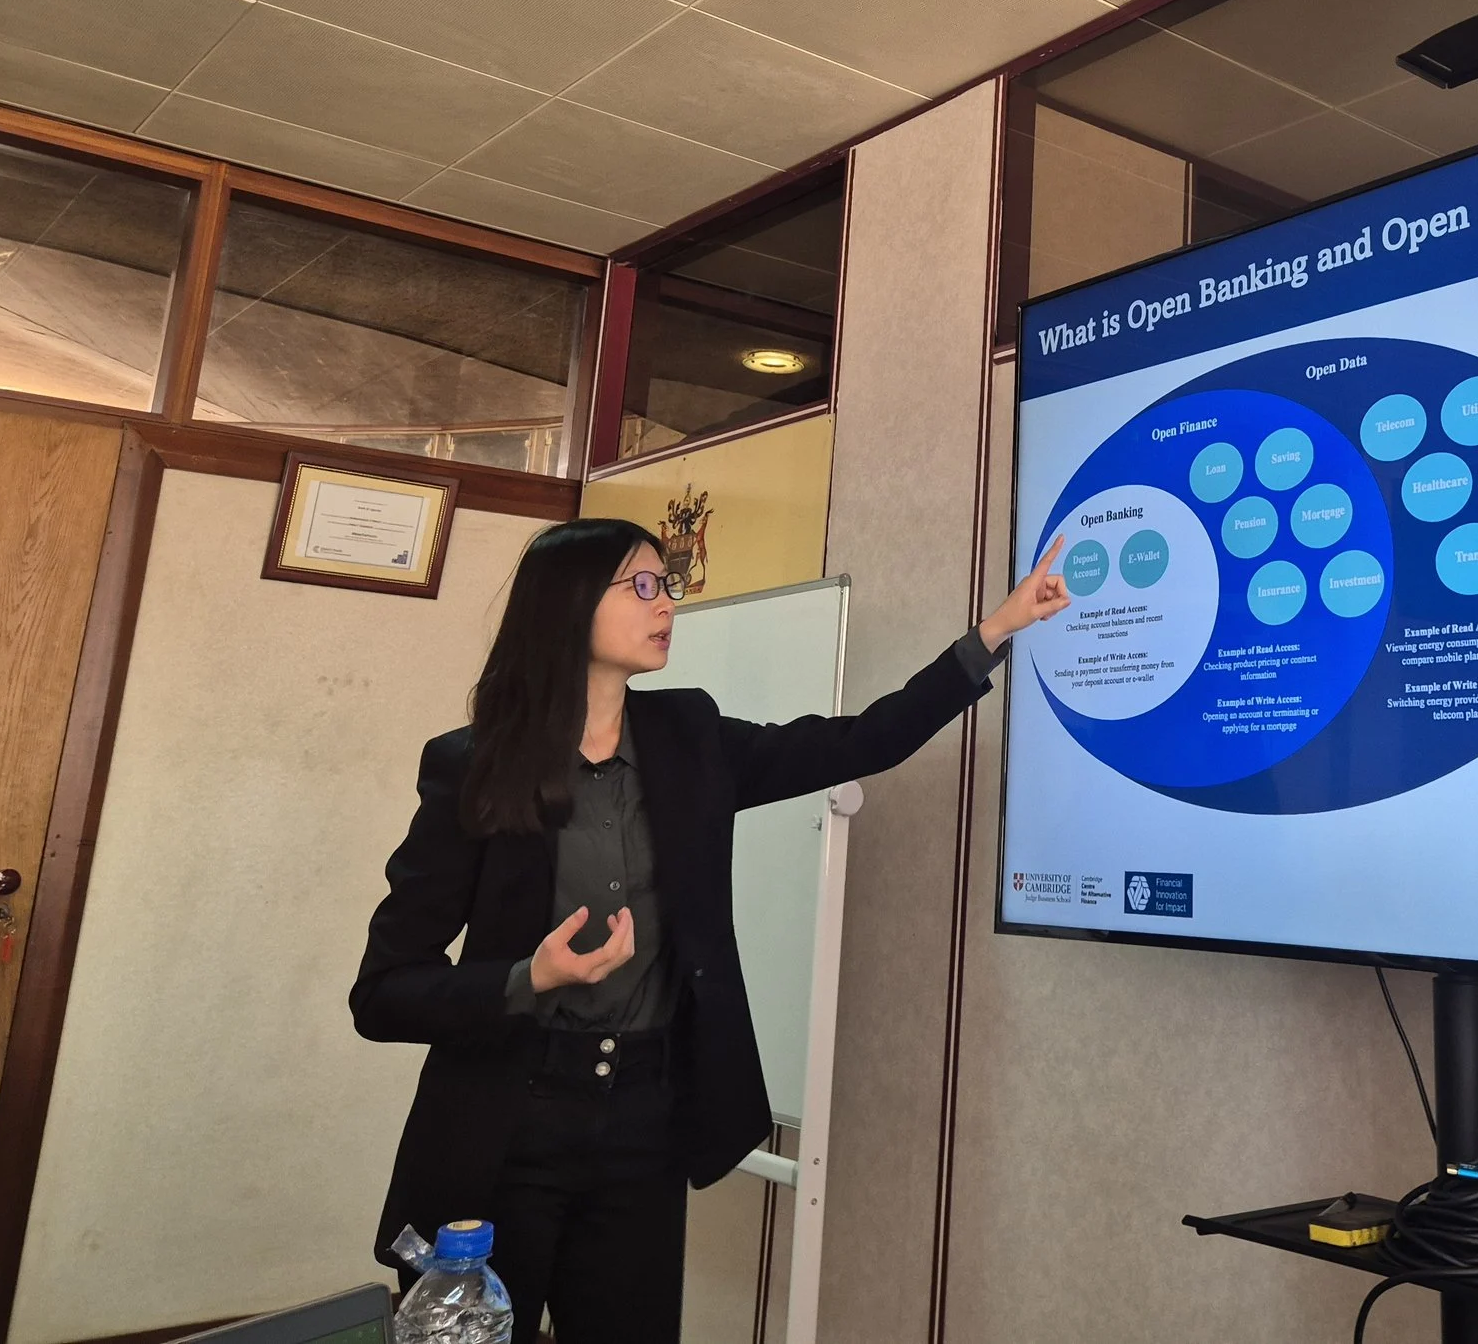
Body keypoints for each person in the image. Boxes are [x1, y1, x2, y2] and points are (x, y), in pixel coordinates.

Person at [352, 518, 1069, 1343]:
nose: (667, 604)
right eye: (643, 585)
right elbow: (383, 992)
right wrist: (529, 978)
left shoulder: (688, 736)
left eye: (668, 585)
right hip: (507, 1125)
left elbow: (857, 740)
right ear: (570, 603)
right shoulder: (471, 766)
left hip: (644, 1127)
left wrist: (995, 630)